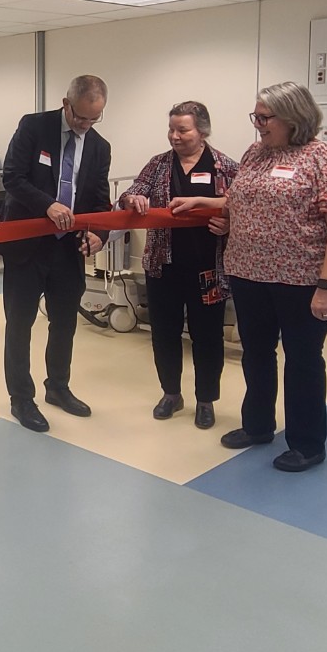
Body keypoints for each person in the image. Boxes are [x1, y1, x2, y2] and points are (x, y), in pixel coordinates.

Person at [221, 81, 327, 472]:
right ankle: (258, 425)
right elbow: (237, 201)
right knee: (256, 354)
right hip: (248, 273)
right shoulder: (255, 153)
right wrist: (209, 204)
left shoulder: (323, 158)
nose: (258, 125)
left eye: (264, 118)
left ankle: (307, 443)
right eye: (255, 117)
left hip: (301, 280)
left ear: (293, 117)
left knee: (302, 360)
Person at [0, 75, 112, 432]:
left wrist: (100, 235)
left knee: (64, 322)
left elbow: (100, 200)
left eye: (94, 118)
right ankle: (21, 398)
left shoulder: (99, 147)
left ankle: (58, 387)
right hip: (27, 245)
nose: (86, 125)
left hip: (68, 248)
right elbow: (13, 177)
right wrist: (47, 205)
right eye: (80, 117)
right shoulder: (34, 127)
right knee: (20, 323)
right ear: (67, 104)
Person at [118, 101, 237, 430]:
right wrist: (133, 199)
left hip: (208, 268)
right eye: (171, 129)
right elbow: (131, 192)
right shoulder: (158, 165)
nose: (174, 136)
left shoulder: (225, 167)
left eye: (182, 130)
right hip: (163, 267)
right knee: (164, 333)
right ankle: (171, 394)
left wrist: (230, 225)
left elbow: (246, 207)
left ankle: (205, 400)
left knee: (207, 336)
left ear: (202, 131)